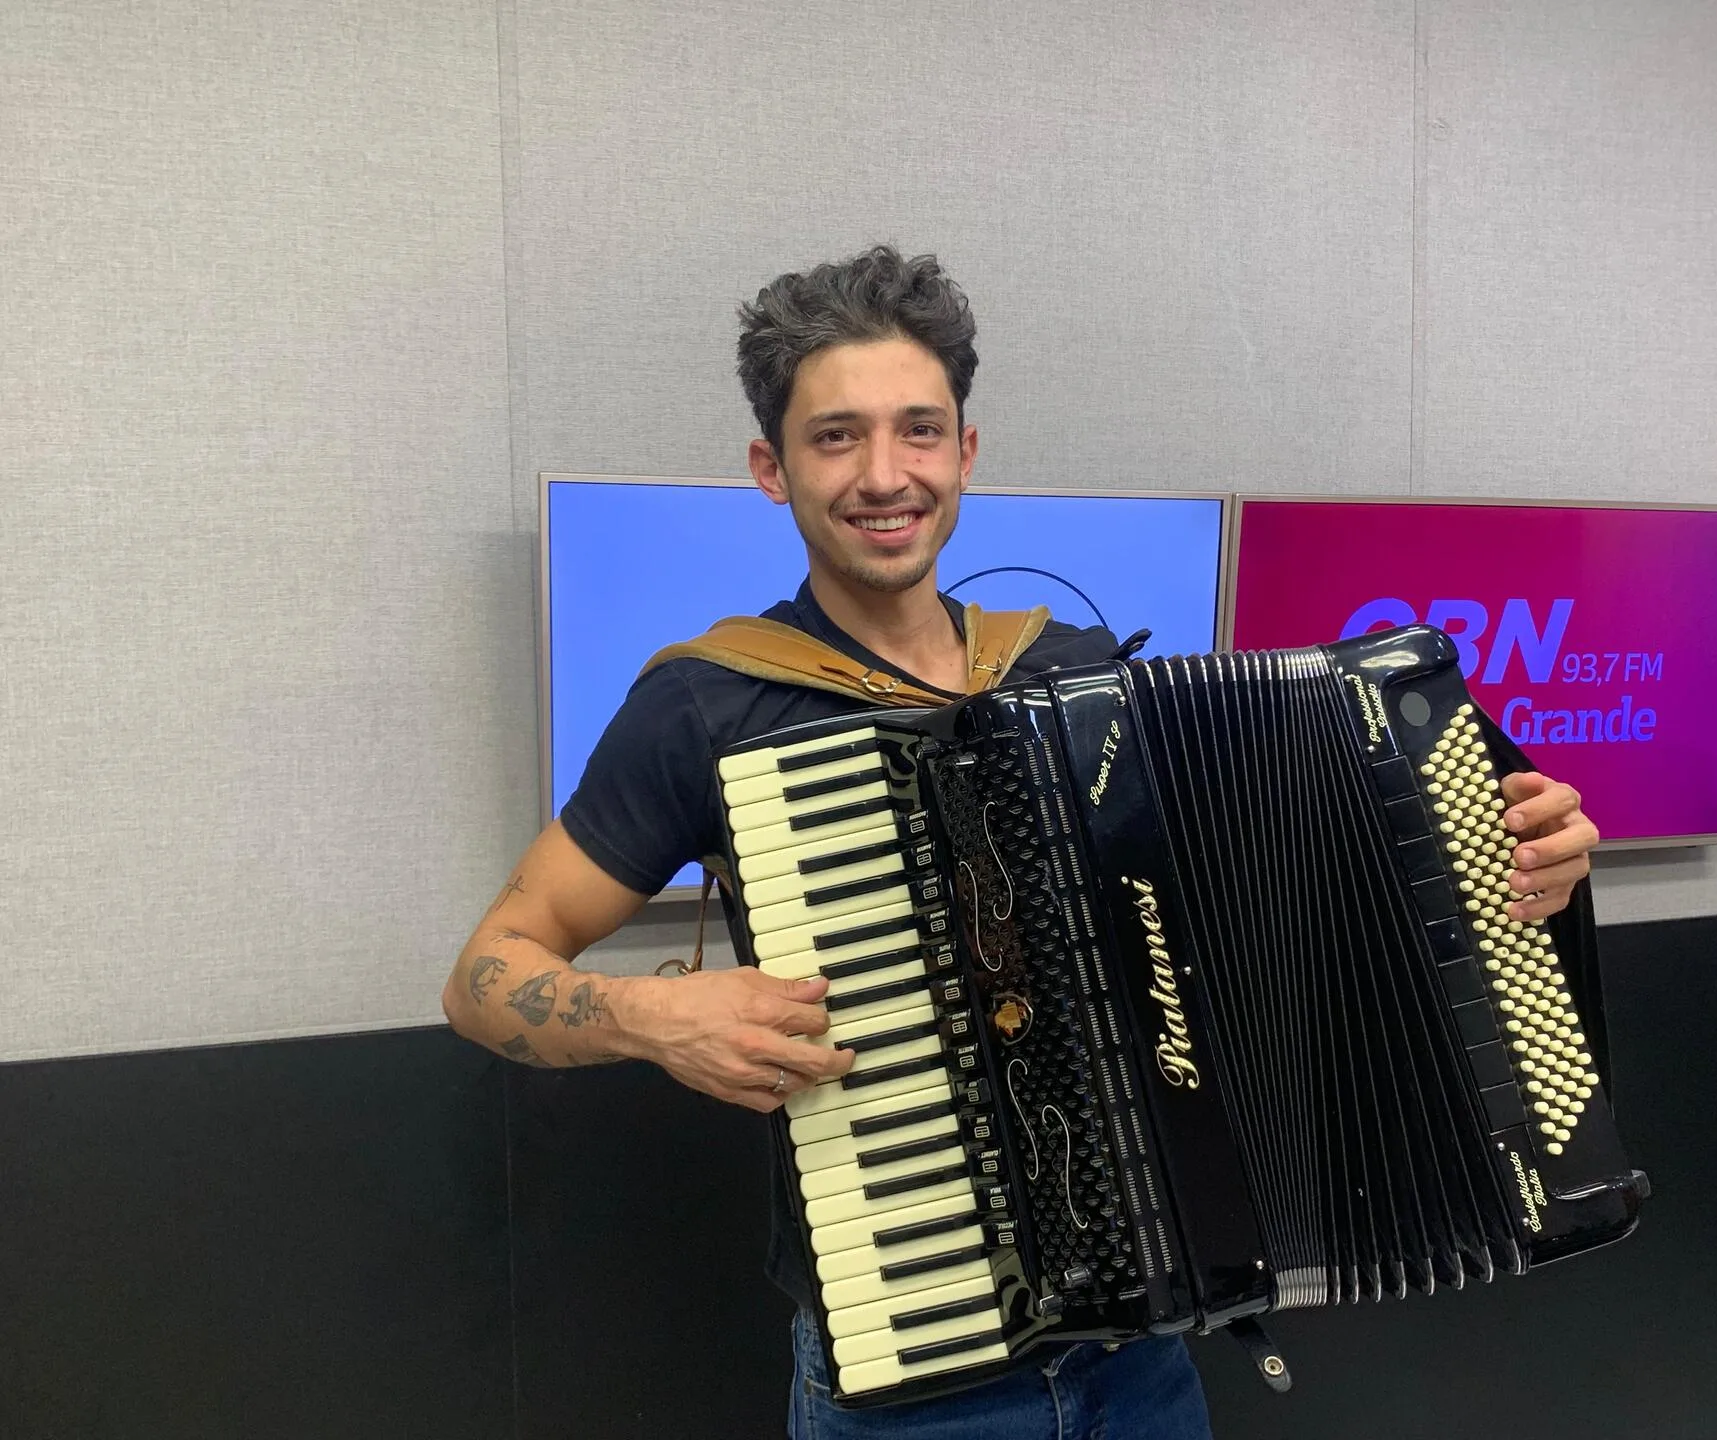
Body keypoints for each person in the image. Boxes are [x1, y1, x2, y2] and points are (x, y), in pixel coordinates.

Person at [440, 245, 1604, 1440]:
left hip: (1144, 1363)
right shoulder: (709, 707)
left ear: (966, 452)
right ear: (770, 469)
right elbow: (487, 975)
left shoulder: (1079, 679)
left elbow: (1282, 936)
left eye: (918, 431)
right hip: (911, 1387)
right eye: (836, 436)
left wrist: (1513, 866)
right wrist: (653, 1017)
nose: (883, 475)